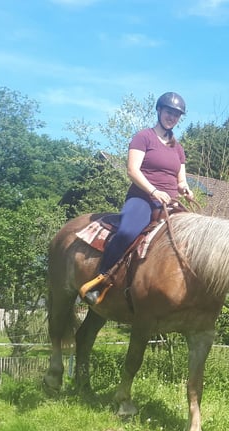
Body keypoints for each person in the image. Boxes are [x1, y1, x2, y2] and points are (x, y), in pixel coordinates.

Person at [80, 92, 194, 305]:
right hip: (142, 198)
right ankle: (101, 279)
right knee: (127, 231)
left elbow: (181, 179)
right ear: (159, 110)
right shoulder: (144, 137)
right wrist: (153, 191)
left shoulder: (178, 148)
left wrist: (185, 188)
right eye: (169, 112)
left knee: (193, 239)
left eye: (177, 115)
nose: (172, 117)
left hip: (170, 203)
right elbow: (132, 170)